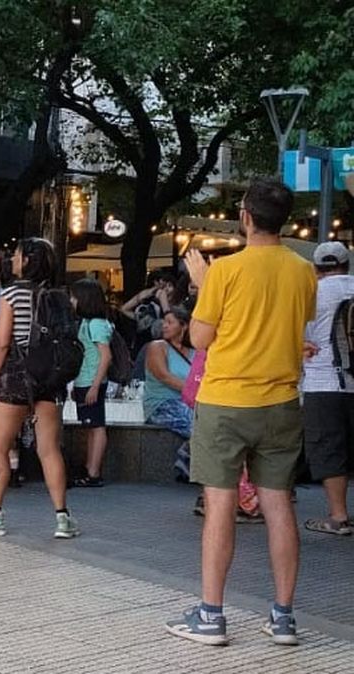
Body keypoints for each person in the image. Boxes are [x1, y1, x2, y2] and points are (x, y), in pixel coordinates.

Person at [164, 178, 316, 647]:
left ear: (245, 216)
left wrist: (202, 285)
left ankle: (211, 616)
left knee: (221, 506)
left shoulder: (225, 272)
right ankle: (284, 617)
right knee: (278, 506)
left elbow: (200, 339)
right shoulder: (303, 270)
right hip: (281, 403)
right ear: (284, 219)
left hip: (226, 403)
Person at [0, 237, 79, 539]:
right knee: (49, 450)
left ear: (27, 261)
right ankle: (62, 518)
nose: (12, 258)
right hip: (48, 379)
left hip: (15, 374)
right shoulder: (59, 295)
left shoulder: (10, 293)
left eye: (17, 255)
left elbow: (1, 343)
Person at [300, 242, 354, 536]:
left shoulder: (314, 294)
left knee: (328, 449)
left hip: (324, 382)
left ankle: (338, 516)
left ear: (317, 267)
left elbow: (301, 338)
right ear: (346, 264)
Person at [69, 278, 113, 488]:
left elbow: (105, 356)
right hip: (85, 380)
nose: (71, 300)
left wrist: (95, 385)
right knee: (91, 425)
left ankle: (93, 472)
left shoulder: (96, 324)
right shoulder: (90, 323)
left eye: (74, 296)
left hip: (91, 381)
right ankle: (90, 468)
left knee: (96, 426)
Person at [143, 306, 195, 481]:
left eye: (169, 322)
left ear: (184, 326)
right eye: (164, 322)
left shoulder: (195, 351)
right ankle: (187, 458)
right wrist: (196, 394)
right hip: (162, 404)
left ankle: (187, 453)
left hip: (190, 402)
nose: (164, 325)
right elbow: (164, 376)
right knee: (197, 424)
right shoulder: (157, 347)